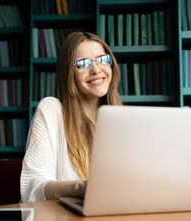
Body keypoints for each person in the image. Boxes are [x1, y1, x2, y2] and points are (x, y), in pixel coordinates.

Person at [20, 32, 122, 202]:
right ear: (69, 73)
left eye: (102, 60)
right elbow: (34, 187)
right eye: (82, 64)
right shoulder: (51, 110)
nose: (96, 70)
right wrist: (81, 187)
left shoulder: (124, 121)